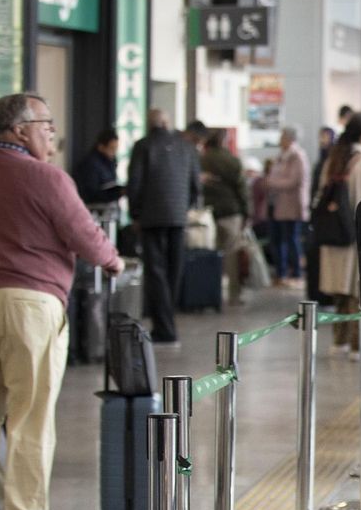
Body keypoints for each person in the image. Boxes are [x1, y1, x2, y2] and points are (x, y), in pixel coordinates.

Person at [0, 92, 123, 510]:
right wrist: (113, 262)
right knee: (31, 413)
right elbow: (85, 234)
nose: (52, 133)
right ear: (19, 130)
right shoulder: (48, 178)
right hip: (30, 304)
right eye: (46, 124)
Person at [126, 108, 200, 345]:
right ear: (168, 123)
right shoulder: (186, 147)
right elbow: (196, 184)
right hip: (178, 217)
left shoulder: (143, 146)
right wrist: (185, 208)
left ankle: (165, 328)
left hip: (151, 217)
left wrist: (135, 214)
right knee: (173, 271)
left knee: (156, 271)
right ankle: (168, 323)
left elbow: (134, 182)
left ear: (150, 124)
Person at [317, 112, 361, 352]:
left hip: (334, 236)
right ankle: (359, 345)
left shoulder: (334, 160)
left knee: (341, 293)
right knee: (359, 293)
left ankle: (339, 341)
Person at [195, 127, 250, 306]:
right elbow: (242, 188)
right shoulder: (231, 160)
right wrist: (246, 212)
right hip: (230, 212)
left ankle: (211, 293)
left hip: (206, 214)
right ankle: (234, 294)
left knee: (210, 255)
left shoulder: (200, 159)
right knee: (232, 255)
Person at [264, 125, 310, 284]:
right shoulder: (281, 156)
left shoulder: (297, 156)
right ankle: (281, 272)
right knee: (278, 239)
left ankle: (296, 272)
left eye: (282, 136)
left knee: (290, 239)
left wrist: (272, 183)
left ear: (289, 138)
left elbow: (295, 181)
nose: (279, 140)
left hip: (291, 205)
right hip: (277, 204)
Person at [70, 129, 123, 206]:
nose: (114, 153)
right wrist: (117, 192)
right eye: (111, 148)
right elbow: (92, 193)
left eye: (116, 149)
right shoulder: (91, 164)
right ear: (101, 147)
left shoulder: (111, 162)